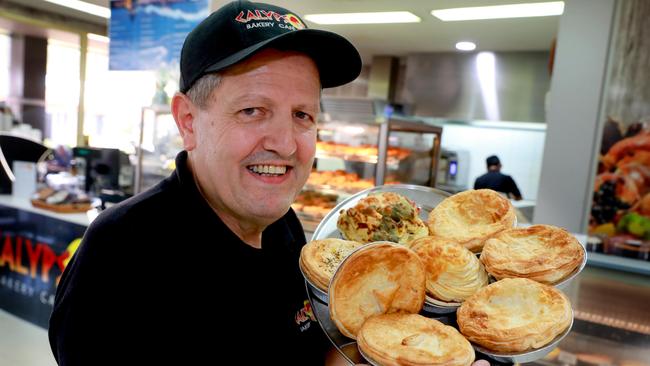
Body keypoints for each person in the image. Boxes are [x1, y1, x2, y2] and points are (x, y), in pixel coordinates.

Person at [49, 1, 493, 365]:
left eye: (302, 115)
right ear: (188, 121)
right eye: (253, 111)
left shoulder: (286, 231)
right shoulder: (121, 255)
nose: (284, 144)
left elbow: (309, 354)